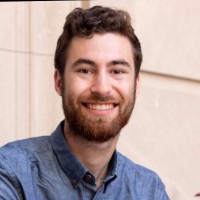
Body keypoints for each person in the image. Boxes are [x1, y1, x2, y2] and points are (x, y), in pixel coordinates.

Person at [0, 6, 169, 200]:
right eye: (85, 70)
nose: (102, 88)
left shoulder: (150, 190)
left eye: (117, 71)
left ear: (136, 85)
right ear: (59, 81)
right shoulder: (9, 172)